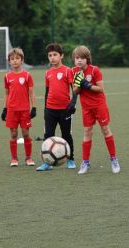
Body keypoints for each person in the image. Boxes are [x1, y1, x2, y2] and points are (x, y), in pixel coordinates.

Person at [72, 45, 121, 175]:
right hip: (86, 108)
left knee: (105, 129)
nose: (79, 60)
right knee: (87, 132)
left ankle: (113, 159)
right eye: (77, 58)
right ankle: (85, 162)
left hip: (99, 105)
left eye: (82, 58)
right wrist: (79, 84)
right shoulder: (74, 71)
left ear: (87, 59)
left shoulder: (95, 70)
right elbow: (75, 91)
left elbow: (100, 89)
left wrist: (86, 84)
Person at [36, 43, 77, 171]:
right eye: (49, 55)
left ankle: (71, 159)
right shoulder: (48, 72)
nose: (52, 57)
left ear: (61, 56)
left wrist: (72, 104)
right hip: (50, 109)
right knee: (48, 135)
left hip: (65, 109)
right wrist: (45, 109)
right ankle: (47, 162)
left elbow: (75, 89)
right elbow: (47, 92)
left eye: (55, 55)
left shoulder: (67, 70)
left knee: (66, 134)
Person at [1, 48, 36, 167]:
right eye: (12, 59)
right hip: (12, 110)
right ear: (9, 61)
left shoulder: (27, 75)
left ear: (22, 60)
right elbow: (6, 93)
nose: (15, 61)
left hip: (24, 110)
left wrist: (34, 107)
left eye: (17, 58)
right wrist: (4, 108)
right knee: (14, 134)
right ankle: (14, 159)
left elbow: (31, 93)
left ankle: (28, 158)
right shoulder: (7, 76)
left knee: (26, 133)